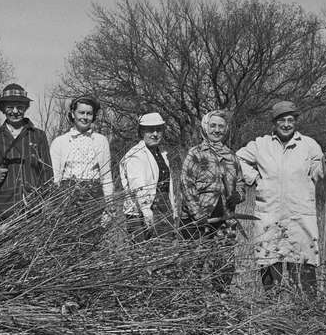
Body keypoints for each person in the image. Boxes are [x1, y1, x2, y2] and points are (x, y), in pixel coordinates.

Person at [236, 101, 326, 293]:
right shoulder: (261, 144)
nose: (287, 124)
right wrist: (255, 178)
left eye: (291, 120)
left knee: (304, 262)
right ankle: (273, 312)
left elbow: (318, 171)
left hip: (300, 216)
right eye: (282, 120)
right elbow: (238, 158)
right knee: (269, 260)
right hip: (269, 214)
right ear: (274, 123)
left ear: (296, 122)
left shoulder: (308, 145)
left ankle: (306, 311)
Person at [179, 109, 245, 290]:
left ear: (226, 129)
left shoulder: (232, 157)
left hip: (224, 222)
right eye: (213, 126)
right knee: (192, 267)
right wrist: (197, 214)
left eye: (221, 126)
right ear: (206, 127)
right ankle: (189, 304)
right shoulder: (196, 153)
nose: (217, 130)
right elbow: (186, 185)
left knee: (224, 267)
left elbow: (240, 183)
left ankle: (220, 304)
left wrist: (238, 195)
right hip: (197, 222)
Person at [0, 83, 52, 223]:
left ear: (25, 108)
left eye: (19, 107)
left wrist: (47, 201)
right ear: (2, 109)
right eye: (10, 107)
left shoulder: (38, 135)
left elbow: (47, 172)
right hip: (1, 208)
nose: (15, 111)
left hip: (33, 207)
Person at [49, 95, 114, 232]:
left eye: (89, 114)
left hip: (94, 196)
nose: (85, 117)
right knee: (68, 238)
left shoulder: (101, 141)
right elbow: (55, 178)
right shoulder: (59, 142)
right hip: (67, 197)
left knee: (93, 237)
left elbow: (106, 176)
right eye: (81, 113)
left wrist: (109, 205)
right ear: (73, 114)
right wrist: (56, 206)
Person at [119, 112, 177, 240]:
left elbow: (168, 188)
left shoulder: (161, 153)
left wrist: (173, 211)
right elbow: (139, 189)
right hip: (140, 214)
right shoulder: (135, 155)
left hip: (163, 211)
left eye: (158, 130)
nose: (155, 134)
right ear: (141, 132)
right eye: (150, 130)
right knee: (143, 255)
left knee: (165, 254)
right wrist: (147, 214)